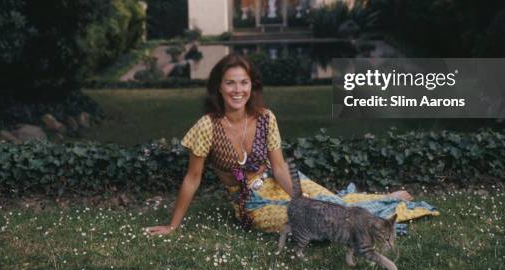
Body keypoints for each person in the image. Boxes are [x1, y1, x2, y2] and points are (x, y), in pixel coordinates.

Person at [145, 54, 436, 236]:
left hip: (278, 182)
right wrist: (173, 225)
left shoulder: (265, 118)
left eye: (243, 83)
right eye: (230, 83)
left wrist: (299, 196)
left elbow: (280, 166)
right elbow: (192, 178)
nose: (237, 90)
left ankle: (389, 198)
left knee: (331, 204)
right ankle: (377, 209)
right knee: (318, 224)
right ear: (218, 87)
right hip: (251, 203)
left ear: (252, 86)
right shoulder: (206, 126)